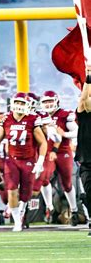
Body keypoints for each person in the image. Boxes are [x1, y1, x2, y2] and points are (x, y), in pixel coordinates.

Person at [0, 93, 47, 232]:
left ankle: (21, 212)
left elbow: (43, 142)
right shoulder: (6, 119)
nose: (19, 105)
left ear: (28, 105)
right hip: (12, 160)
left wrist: (40, 161)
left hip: (29, 161)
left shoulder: (33, 119)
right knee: (11, 189)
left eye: (23, 103)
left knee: (26, 194)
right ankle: (17, 221)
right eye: (17, 102)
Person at [37, 91, 80, 226]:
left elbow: (77, 132)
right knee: (43, 178)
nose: (48, 104)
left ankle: (74, 211)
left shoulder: (64, 115)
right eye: (45, 102)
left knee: (66, 183)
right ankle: (49, 207)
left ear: (56, 101)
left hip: (63, 152)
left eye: (50, 101)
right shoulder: (38, 116)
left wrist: (64, 133)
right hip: (47, 152)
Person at [76, 65, 91, 236]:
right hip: (87, 161)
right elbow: (83, 100)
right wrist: (88, 77)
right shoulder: (85, 115)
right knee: (89, 193)